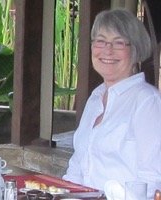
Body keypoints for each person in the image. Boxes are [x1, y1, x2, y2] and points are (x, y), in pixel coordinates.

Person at [62, 9, 161, 199]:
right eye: (100, 41)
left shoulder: (147, 102)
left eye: (119, 42)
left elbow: (153, 181)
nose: (107, 50)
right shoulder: (95, 98)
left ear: (136, 50)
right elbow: (77, 167)